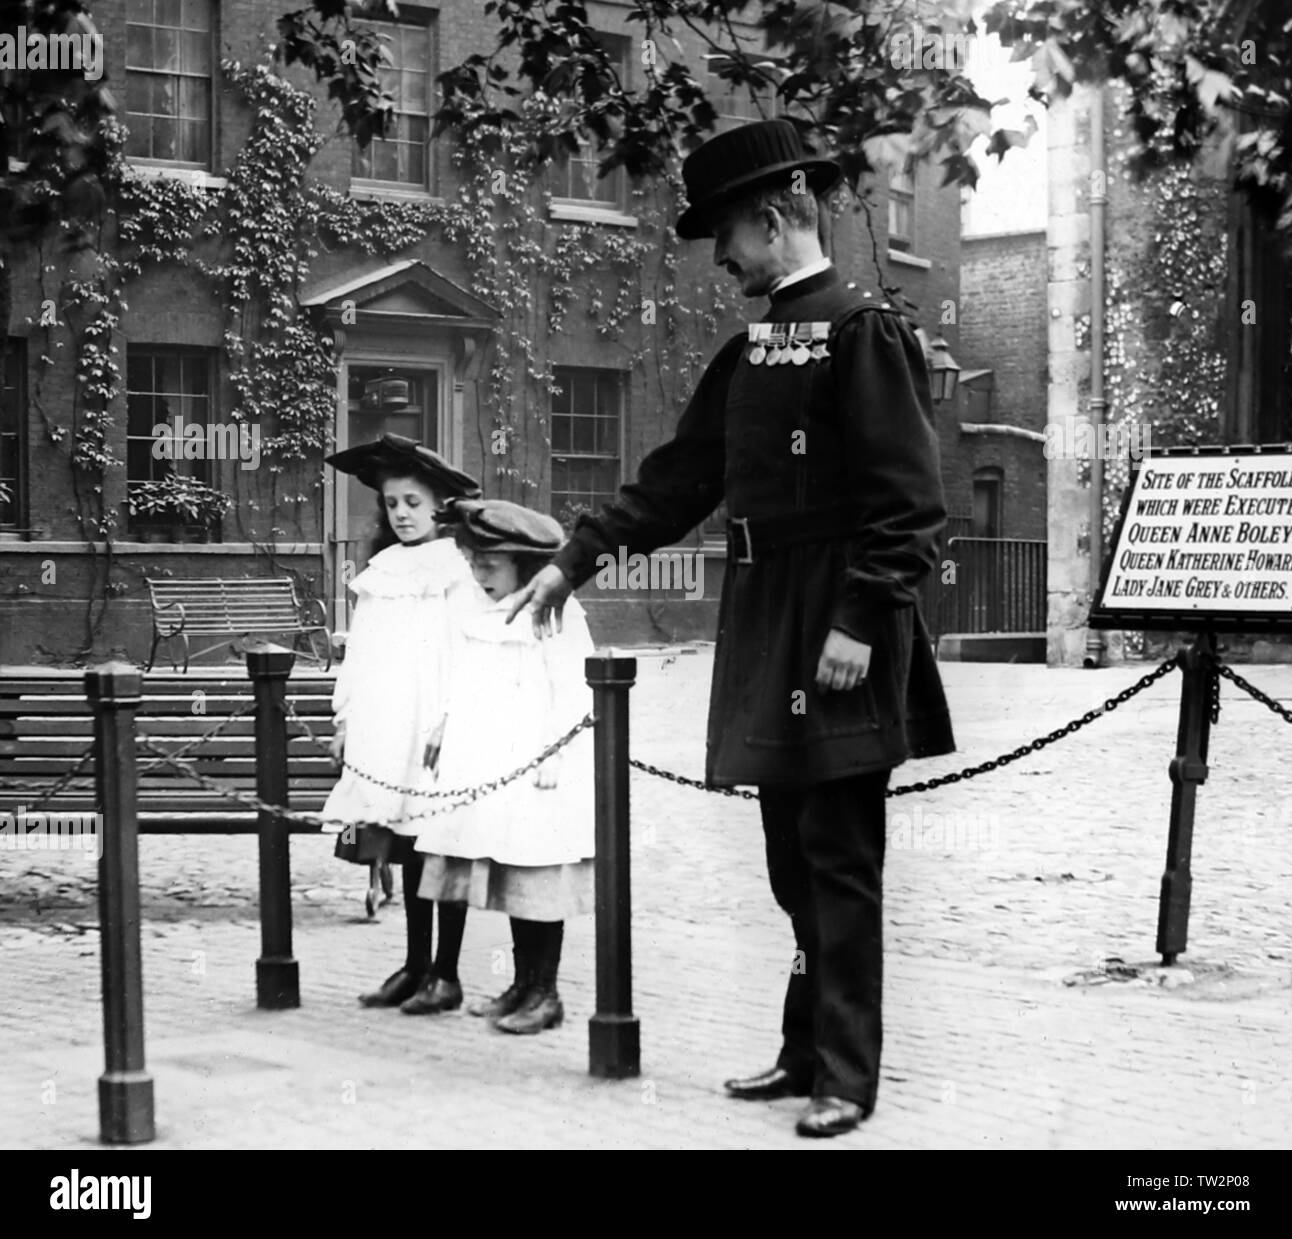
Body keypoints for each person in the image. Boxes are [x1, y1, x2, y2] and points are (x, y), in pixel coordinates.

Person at [505, 119, 956, 1136]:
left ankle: (848, 1072)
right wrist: (572, 562)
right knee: (791, 859)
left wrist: (858, 622)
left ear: (775, 214)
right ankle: (802, 1054)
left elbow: (910, 505)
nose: (719, 256)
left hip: (838, 621)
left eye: (725, 233)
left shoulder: (862, 330)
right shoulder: (753, 348)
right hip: (765, 617)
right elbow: (678, 480)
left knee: (839, 860)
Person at [412, 498, 595, 1035]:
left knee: (540, 878)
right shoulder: (474, 609)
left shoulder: (556, 613)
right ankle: (521, 984)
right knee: (513, 874)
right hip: (491, 768)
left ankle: (546, 992)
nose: (478, 573)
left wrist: (553, 753)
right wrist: (443, 723)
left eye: (489, 564)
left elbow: (575, 693)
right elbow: (461, 676)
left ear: (524, 564)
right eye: (473, 561)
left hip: (540, 772)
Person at [322, 433, 485, 1014]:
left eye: (413, 503)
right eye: (393, 505)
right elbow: (360, 655)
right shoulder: (381, 571)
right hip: (389, 726)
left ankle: (448, 973)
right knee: (407, 846)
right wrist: (345, 719)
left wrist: (452, 718)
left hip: (436, 728)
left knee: (441, 844)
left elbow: (470, 651)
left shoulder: (457, 571)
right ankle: (415, 966)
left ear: (439, 505)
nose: (402, 515)